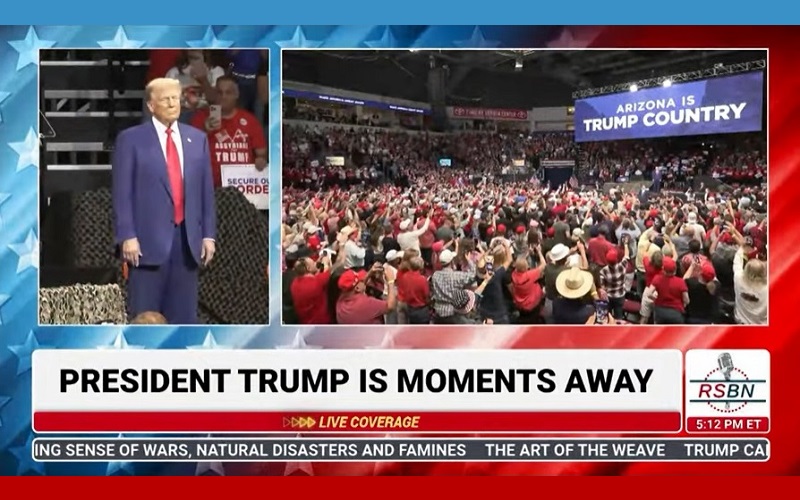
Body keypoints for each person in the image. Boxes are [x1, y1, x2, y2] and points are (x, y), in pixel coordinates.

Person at [112, 77, 216, 324]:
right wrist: (127, 235)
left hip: (187, 243)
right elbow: (121, 192)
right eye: (165, 99)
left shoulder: (197, 139)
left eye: (175, 98)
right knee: (146, 321)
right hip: (145, 246)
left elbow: (205, 192)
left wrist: (208, 235)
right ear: (150, 105)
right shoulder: (131, 139)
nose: (172, 104)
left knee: (184, 322)